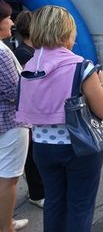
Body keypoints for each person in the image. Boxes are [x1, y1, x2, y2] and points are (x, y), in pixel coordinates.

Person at [16, 5, 103, 232]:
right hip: (79, 147)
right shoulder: (81, 67)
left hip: (42, 147)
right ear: (66, 33)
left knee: (54, 203)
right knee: (80, 206)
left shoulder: (29, 67)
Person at [0, 1, 29, 232]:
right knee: (9, 178)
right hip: (10, 121)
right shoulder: (1, 52)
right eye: (7, 18)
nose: (11, 22)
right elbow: (14, 92)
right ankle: (6, 225)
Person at [13, 11, 45, 209]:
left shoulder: (33, 51)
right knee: (32, 157)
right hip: (29, 115)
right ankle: (37, 193)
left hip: (35, 113)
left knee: (36, 155)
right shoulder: (23, 54)